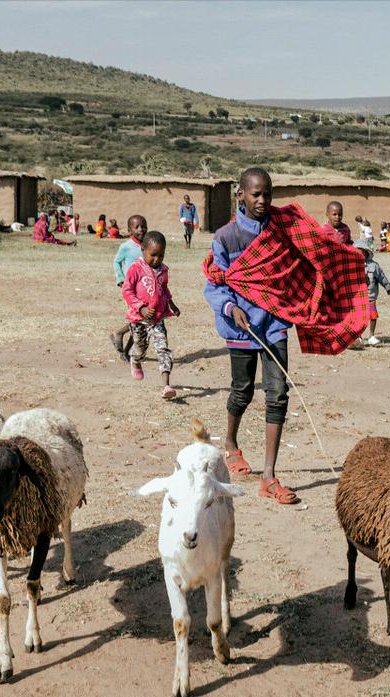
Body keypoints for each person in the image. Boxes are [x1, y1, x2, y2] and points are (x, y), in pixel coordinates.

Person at [203, 167, 300, 505]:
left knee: (278, 395)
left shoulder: (280, 232)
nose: (263, 201)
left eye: (267, 194)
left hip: (274, 324)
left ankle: (269, 476)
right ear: (240, 194)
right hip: (241, 327)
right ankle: (230, 443)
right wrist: (231, 309)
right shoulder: (227, 238)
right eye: (256, 194)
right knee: (242, 391)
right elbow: (213, 286)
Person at [121, 230, 179, 400]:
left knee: (163, 349)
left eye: (161, 255)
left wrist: (171, 304)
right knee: (140, 348)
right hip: (139, 320)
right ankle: (135, 359)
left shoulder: (163, 270)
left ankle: (166, 385)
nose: (157, 259)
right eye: (153, 255)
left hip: (157, 319)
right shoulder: (135, 269)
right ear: (143, 250)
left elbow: (164, 289)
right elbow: (127, 291)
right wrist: (140, 308)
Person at [111, 214, 147, 360]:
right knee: (138, 320)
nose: (141, 229)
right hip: (130, 289)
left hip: (145, 289)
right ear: (129, 229)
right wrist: (120, 278)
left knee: (141, 322)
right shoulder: (126, 247)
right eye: (136, 227)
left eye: (143, 226)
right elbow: (116, 262)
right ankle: (119, 333)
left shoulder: (147, 244)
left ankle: (127, 351)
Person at [361, 239, 390, 345]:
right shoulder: (352, 265)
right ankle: (358, 337)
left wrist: (387, 286)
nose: (360, 254)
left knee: (373, 316)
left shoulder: (374, 266)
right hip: (357, 298)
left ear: (366, 253)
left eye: (362, 252)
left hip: (370, 297)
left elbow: (381, 276)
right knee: (359, 318)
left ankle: (371, 336)